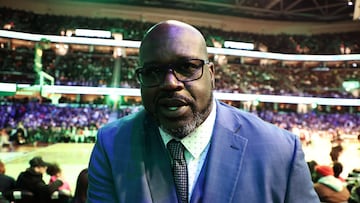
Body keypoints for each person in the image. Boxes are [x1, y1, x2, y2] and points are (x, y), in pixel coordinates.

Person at [87, 20, 320, 202]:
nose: (170, 83)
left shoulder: (281, 151)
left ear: (211, 75)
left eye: (187, 67)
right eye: (153, 71)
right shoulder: (111, 145)